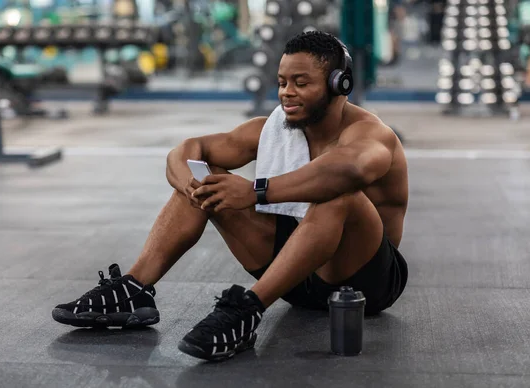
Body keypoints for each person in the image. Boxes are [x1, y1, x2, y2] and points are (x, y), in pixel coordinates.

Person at [52, 31, 409, 362]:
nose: (287, 92)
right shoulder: (271, 129)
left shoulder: (371, 134)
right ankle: (134, 289)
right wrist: (190, 186)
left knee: (340, 196)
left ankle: (245, 311)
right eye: (283, 82)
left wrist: (255, 193)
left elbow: (351, 171)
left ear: (338, 85)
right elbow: (188, 151)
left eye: (301, 83)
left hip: (363, 282)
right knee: (206, 179)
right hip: (297, 277)